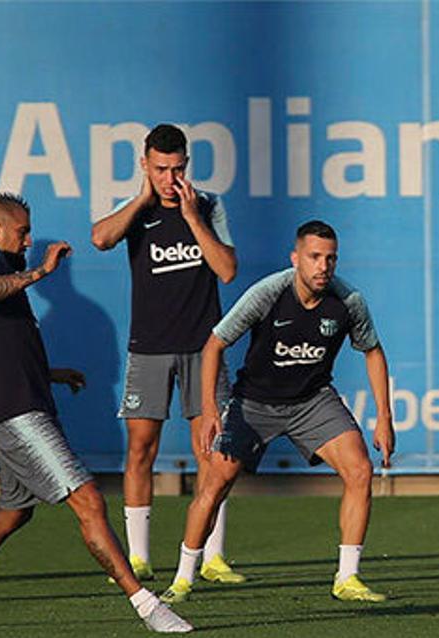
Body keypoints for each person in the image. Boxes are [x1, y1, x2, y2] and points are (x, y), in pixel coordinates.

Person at [0, 193, 191, 633]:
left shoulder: (4, 272)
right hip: (17, 413)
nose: (29, 240)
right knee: (88, 500)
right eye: (22, 232)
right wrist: (41, 271)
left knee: (15, 512)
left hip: (14, 406)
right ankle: (148, 606)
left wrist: (49, 373)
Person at [160, 220, 395, 603]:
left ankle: (347, 578)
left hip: (312, 400)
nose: (323, 267)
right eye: (315, 257)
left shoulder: (347, 301)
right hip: (254, 403)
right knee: (214, 485)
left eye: (330, 258)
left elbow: (372, 351)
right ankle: (183, 578)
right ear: (296, 258)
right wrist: (210, 409)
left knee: (360, 470)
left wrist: (384, 417)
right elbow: (214, 344)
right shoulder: (268, 293)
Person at [91, 123, 243, 585]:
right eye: (160, 169)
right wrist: (141, 200)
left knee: (212, 451)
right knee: (141, 449)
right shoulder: (138, 209)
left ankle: (212, 557)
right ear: (145, 165)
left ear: (188, 166)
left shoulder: (210, 205)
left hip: (203, 347)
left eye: (177, 168)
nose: (170, 178)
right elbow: (100, 238)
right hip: (150, 347)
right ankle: (138, 556)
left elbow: (228, 271)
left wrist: (194, 218)